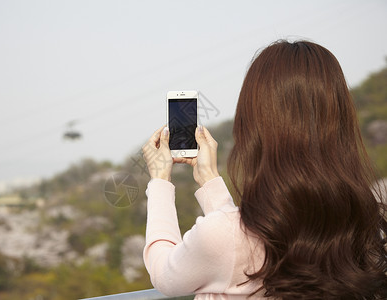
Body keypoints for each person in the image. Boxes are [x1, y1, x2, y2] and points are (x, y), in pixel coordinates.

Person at [142, 40, 387, 299]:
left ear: (253, 124)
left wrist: (159, 180)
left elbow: (164, 273)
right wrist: (209, 180)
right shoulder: (364, 226)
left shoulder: (223, 236)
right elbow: (234, 240)